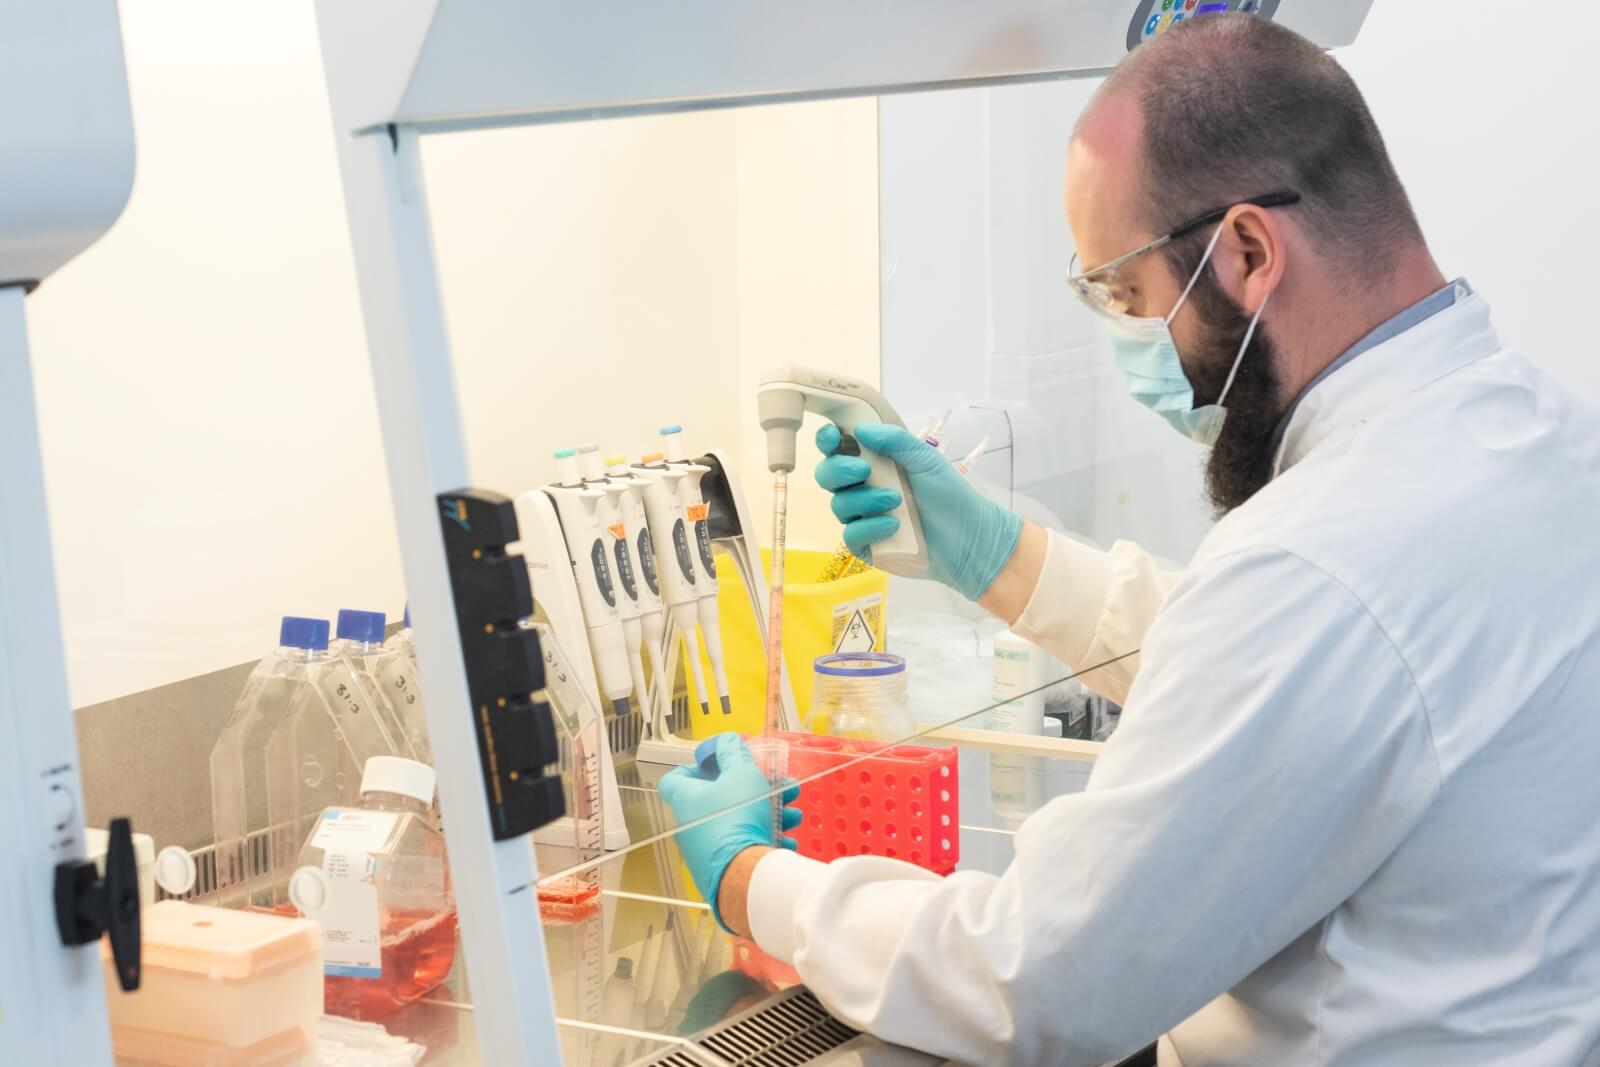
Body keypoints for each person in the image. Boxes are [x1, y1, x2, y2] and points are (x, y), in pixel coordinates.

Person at [660, 15, 1600, 1066]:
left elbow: (1039, 981)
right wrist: (999, 557)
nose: (1127, 339)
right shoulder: (1538, 432)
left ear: (1248, 249)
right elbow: (1301, 683)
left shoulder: (1323, 559)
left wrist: (752, 878)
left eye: (1126, 293)